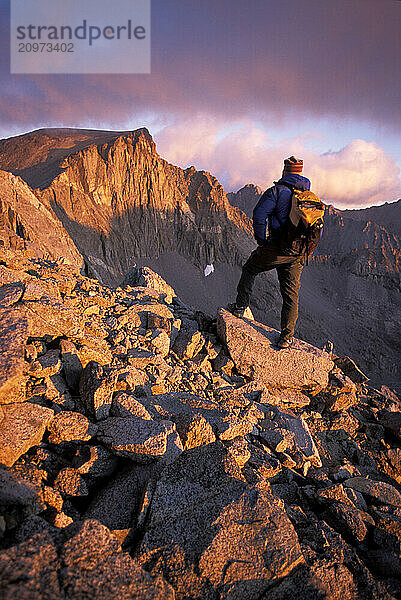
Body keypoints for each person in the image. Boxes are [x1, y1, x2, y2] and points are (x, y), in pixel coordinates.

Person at [229, 156, 310, 349]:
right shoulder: (309, 197)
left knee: (250, 268)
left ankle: (240, 307)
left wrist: (262, 241)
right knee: (291, 294)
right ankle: (287, 336)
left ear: (285, 171)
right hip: (298, 252)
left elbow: (259, 215)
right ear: (300, 172)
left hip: (277, 247)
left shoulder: (277, 191)